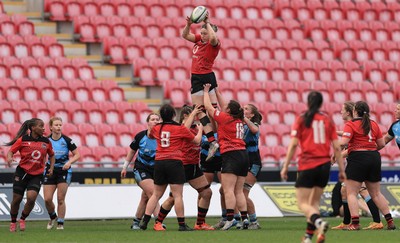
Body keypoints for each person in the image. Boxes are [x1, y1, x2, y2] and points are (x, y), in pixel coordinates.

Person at [280, 91, 346, 243]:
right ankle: (309, 237)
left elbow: (294, 144)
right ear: (321, 103)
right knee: (314, 203)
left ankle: (319, 223)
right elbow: (337, 148)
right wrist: (342, 170)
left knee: (303, 203)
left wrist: (285, 166)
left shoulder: (302, 119)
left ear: (308, 103)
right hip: (324, 166)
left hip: (308, 164)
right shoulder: (327, 120)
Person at [139, 104, 202, 231]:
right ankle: (182, 224)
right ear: (174, 115)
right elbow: (196, 141)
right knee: (178, 195)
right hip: (175, 162)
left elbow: (150, 135)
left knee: (156, 194)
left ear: (161, 116)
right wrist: (200, 130)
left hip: (160, 162)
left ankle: (144, 222)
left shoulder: (157, 128)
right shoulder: (180, 128)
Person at [152, 105, 214, 231]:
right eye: (195, 115)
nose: (197, 119)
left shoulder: (194, 128)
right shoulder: (180, 128)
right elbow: (192, 137)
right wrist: (201, 129)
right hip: (182, 165)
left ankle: (200, 223)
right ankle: (158, 222)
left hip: (194, 165)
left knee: (207, 193)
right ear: (186, 116)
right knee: (173, 198)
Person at [339, 101, 396, 230]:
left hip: (358, 159)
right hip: (374, 158)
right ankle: (390, 221)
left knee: (351, 192)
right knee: (376, 193)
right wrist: (368, 148)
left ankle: (355, 223)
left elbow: (344, 142)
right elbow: (381, 144)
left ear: (355, 111)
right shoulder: (374, 124)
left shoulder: (351, 124)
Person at [203, 84, 249, 230]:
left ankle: (230, 219)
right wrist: (216, 90)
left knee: (228, 189)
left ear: (228, 110)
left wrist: (205, 92)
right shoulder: (238, 120)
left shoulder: (225, 118)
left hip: (231, 155)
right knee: (238, 190)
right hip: (243, 154)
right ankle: (245, 219)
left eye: (226, 107)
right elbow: (224, 105)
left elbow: (209, 109)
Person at [331, 102, 383, 230]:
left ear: (350, 112)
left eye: (342, 110)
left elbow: (353, 145)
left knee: (361, 192)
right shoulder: (358, 125)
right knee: (345, 191)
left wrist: (338, 154)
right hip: (363, 161)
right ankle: (348, 221)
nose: (340, 112)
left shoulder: (352, 125)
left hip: (359, 163)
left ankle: (374, 220)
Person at [5, 118, 55, 232]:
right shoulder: (23, 139)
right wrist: (9, 158)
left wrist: (51, 168)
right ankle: (13, 221)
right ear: (33, 128)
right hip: (22, 172)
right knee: (16, 199)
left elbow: (52, 155)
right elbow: (11, 151)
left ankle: (22, 218)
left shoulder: (46, 142)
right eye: (41, 126)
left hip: (37, 174)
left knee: (31, 198)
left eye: (44, 126)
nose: (44, 128)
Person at [182, 11, 221, 161]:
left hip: (202, 77)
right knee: (207, 110)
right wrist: (188, 24)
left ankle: (213, 140)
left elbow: (212, 38)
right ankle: (215, 140)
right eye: (202, 33)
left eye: (205, 33)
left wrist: (208, 22)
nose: (202, 35)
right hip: (200, 77)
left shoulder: (214, 44)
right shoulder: (199, 40)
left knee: (204, 111)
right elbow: (185, 35)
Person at [120, 113, 161, 230]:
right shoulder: (140, 136)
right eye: (153, 119)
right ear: (148, 122)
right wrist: (125, 167)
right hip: (141, 168)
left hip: (156, 170)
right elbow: (132, 151)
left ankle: (136, 222)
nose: (155, 121)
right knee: (153, 193)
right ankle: (159, 221)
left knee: (145, 197)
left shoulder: (162, 137)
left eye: (157, 120)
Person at [43, 117, 80, 230]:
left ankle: (60, 223)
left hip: (63, 171)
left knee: (60, 199)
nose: (59, 127)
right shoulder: (45, 140)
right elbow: (42, 154)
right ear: (51, 127)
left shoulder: (67, 140)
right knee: (47, 199)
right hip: (50, 170)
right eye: (56, 125)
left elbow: (77, 155)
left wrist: (69, 163)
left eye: (60, 125)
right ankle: (52, 216)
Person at [242, 104, 263, 230]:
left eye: (246, 109)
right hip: (244, 161)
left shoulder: (254, 126)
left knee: (243, 193)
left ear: (252, 114)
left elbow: (254, 130)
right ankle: (242, 220)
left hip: (253, 162)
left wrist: (243, 118)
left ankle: (254, 221)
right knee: (237, 192)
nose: (243, 111)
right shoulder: (243, 126)